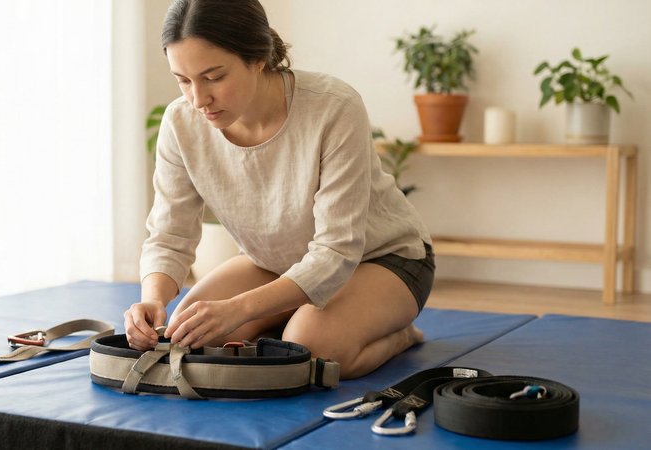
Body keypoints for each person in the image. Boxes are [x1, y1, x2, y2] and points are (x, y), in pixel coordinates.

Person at [124, 0, 435, 379]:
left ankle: (398, 334)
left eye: (214, 77)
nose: (197, 99)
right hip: (275, 264)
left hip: (381, 259)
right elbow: (169, 235)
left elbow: (337, 251)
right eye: (183, 80)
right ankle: (290, 321)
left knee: (312, 352)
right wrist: (151, 300)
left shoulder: (334, 107)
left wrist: (242, 309)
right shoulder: (180, 122)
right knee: (193, 339)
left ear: (258, 58)